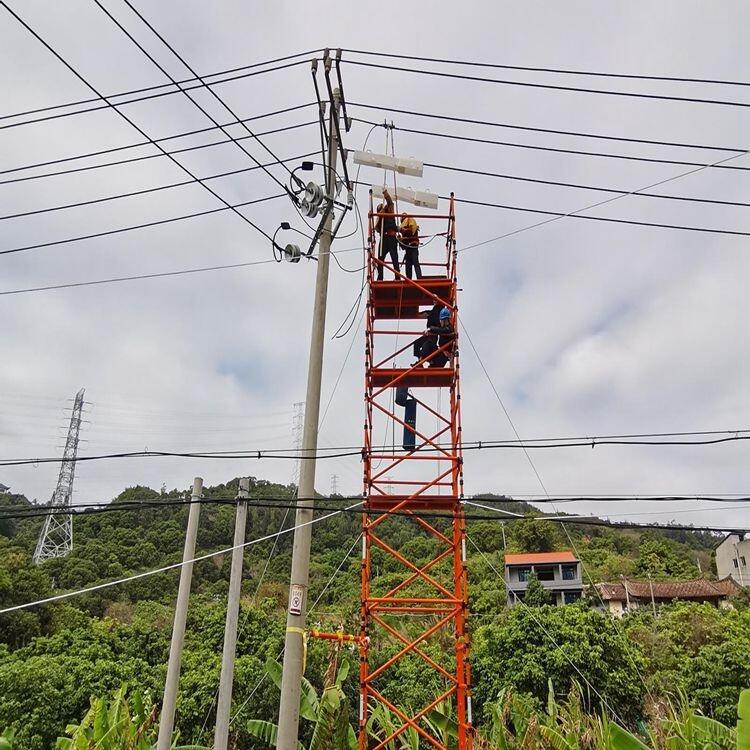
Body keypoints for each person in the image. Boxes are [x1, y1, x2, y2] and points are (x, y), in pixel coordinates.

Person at [373, 188, 400, 281]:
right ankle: (380, 277)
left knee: (394, 258)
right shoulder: (380, 219)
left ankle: (397, 277)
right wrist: (381, 214)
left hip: (391, 236)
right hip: (384, 238)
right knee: (380, 259)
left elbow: (390, 202)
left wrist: (385, 193)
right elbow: (376, 228)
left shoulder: (389, 211)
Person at [399, 212, 422, 280]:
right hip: (408, 249)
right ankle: (409, 279)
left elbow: (409, 232)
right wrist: (400, 241)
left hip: (413, 246)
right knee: (408, 266)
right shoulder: (404, 231)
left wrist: (402, 233)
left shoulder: (412, 225)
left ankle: (419, 278)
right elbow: (403, 246)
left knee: (415, 263)